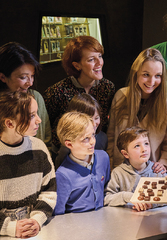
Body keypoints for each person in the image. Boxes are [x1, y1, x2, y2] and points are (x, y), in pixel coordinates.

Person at [107, 48, 167, 171]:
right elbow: (111, 137)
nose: (151, 81)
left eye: (158, 76)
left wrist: (164, 162)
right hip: (121, 170)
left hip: (151, 171)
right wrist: (109, 166)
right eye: (146, 75)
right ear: (136, 73)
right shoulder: (121, 96)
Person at [43, 36, 115, 160]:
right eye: (92, 59)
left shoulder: (107, 87)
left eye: (100, 56)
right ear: (77, 65)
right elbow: (48, 128)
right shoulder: (56, 92)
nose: (99, 63)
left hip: (96, 145)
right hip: (66, 150)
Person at [0, 91, 56, 238]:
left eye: (36, 114)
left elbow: (49, 191)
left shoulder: (39, 148)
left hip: (35, 232)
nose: (39, 120)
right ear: (9, 123)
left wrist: (37, 220)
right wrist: (8, 227)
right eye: (31, 116)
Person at [54, 112, 110, 215]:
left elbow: (107, 190)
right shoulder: (63, 175)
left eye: (93, 135)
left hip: (102, 221)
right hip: (77, 226)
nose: (93, 142)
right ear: (69, 144)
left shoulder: (103, 157)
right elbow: (58, 214)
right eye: (86, 139)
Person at [0, 42, 52, 151]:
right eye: (23, 77)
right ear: (3, 77)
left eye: (32, 76)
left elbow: (46, 140)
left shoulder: (36, 98)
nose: (30, 83)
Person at [104, 126, 165, 211]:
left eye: (146, 143)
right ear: (125, 154)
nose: (144, 149)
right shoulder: (118, 173)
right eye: (137, 146)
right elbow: (107, 199)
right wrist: (127, 197)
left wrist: (152, 204)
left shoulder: (157, 171)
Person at [55, 93, 108, 169]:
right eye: (88, 118)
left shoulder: (103, 138)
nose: (93, 124)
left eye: (96, 118)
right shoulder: (66, 149)